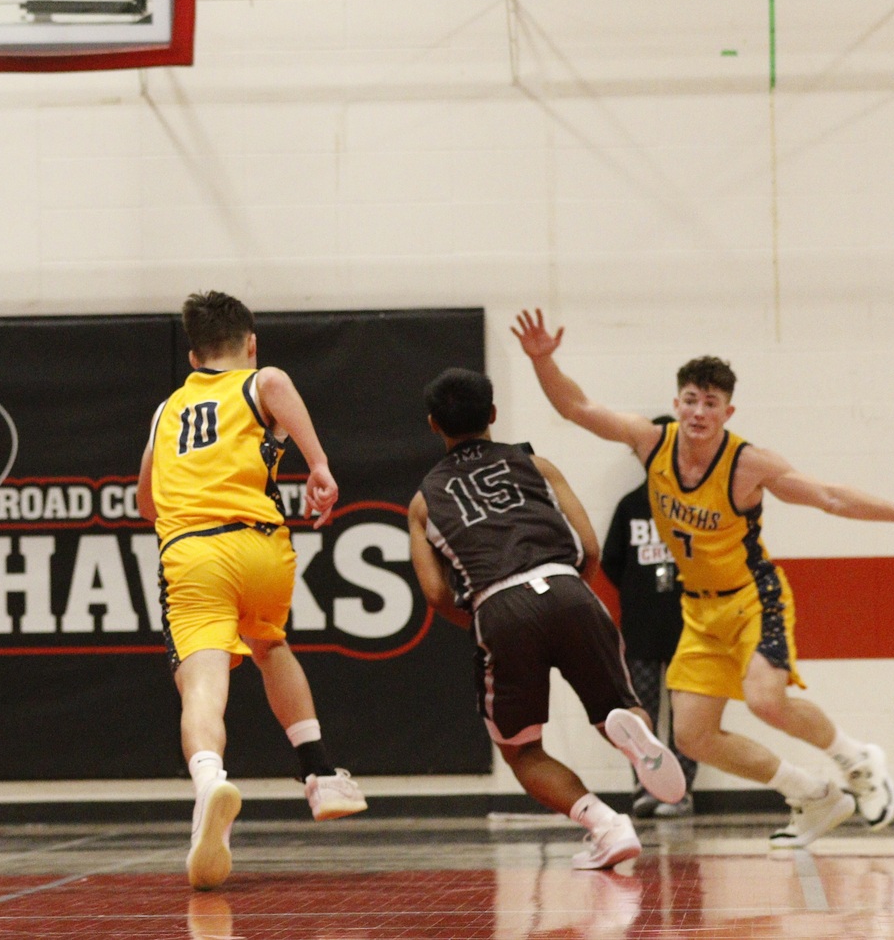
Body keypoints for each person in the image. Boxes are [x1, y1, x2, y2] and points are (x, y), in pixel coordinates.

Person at [511, 310, 894, 849]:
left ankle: (856, 761)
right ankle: (812, 795)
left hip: (752, 598)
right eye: (691, 400)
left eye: (711, 403)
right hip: (698, 611)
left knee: (765, 699)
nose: (699, 411)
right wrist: (543, 361)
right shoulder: (651, 442)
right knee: (692, 736)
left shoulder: (747, 464)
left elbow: (830, 497)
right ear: (677, 404)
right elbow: (576, 408)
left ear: (727, 411)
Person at [135, 291, 369, 891]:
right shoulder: (259, 381)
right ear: (251, 343)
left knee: (202, 684)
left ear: (194, 357)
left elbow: (146, 502)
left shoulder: (166, 411)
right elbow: (277, 385)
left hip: (196, 553)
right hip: (264, 548)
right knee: (271, 645)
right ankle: (320, 774)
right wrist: (319, 465)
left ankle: (210, 784)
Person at [405, 368, 685, 870]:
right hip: (567, 587)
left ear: (433, 424)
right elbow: (590, 547)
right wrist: (570, 593)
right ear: (493, 414)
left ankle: (607, 825)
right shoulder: (536, 464)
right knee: (615, 708)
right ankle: (636, 738)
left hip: (499, 607)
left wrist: (483, 622)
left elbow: (434, 593)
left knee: (522, 751)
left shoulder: (424, 501)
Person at [598, 424, 699, 819]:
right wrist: (637, 591)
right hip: (641, 628)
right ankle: (647, 786)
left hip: (690, 628)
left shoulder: (696, 506)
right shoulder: (630, 507)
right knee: (642, 715)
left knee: (688, 715)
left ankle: (680, 792)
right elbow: (610, 560)